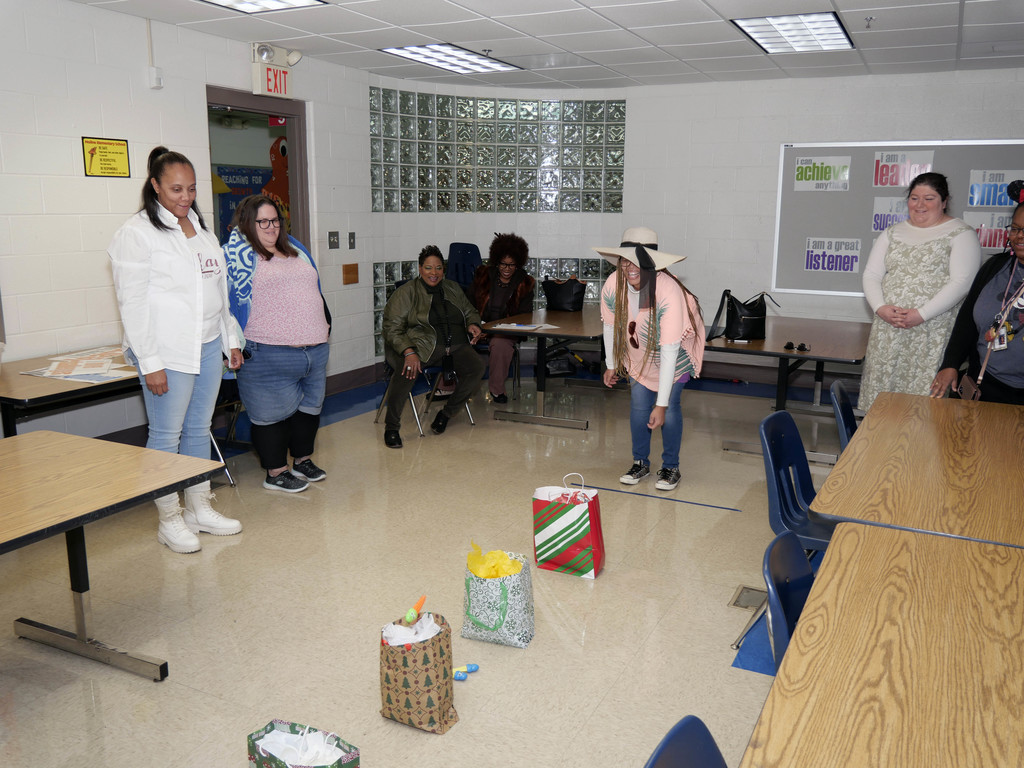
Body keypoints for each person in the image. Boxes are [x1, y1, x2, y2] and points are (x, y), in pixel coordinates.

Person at [109, 146, 243, 554]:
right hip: (166, 351)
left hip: (207, 345)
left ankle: (198, 507)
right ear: (155, 186)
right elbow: (132, 305)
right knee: (166, 435)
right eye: (176, 189)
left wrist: (230, 339)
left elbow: (218, 292)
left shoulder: (202, 231)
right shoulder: (137, 233)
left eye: (191, 189)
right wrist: (150, 363)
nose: (185, 197)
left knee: (200, 429)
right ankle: (169, 518)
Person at [223, 195, 331, 493]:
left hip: (314, 350)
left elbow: (314, 289)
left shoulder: (295, 249)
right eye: (263, 222)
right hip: (267, 351)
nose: (271, 227)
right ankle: (276, 472)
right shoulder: (236, 256)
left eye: (275, 220)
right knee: (270, 415)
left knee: (310, 409)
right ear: (247, 223)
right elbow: (224, 304)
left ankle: (302, 461)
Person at [858, 172, 981, 410]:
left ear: (944, 201)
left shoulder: (961, 233)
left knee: (923, 406)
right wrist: (881, 308)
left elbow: (962, 282)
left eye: (929, 198)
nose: (920, 205)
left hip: (932, 331)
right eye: (914, 198)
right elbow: (871, 275)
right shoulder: (892, 233)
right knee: (881, 403)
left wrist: (921, 314)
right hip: (889, 330)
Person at [596, 226, 705, 492]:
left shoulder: (667, 291)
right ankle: (640, 462)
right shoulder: (614, 283)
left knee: (670, 409)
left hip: (673, 357)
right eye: (625, 260)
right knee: (639, 407)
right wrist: (611, 364)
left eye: (638, 261)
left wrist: (662, 404)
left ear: (652, 263)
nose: (630, 267)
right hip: (639, 355)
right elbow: (609, 324)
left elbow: (669, 350)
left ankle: (671, 467)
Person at [381, 245, 485, 448]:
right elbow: (391, 328)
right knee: (407, 369)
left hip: (454, 346)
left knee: (477, 367)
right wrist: (409, 352)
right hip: (420, 346)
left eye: (438, 268)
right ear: (420, 268)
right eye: (428, 268)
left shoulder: (453, 288)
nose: (434, 273)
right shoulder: (406, 293)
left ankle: (446, 414)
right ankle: (391, 427)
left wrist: (473, 324)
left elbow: (469, 311)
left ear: (443, 270)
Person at [930, 196, 1024, 405]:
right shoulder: (994, 268)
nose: (1019, 236)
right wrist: (951, 363)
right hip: (984, 384)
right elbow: (967, 320)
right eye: (1015, 229)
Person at [471, 232, 536, 403]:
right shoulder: (483, 275)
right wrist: (476, 326)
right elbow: (468, 304)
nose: (507, 269)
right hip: (477, 325)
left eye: (512, 265)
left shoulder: (525, 283)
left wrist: (490, 330)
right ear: (496, 261)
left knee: (499, 343)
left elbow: (524, 317)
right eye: (503, 264)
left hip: (507, 331)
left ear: (518, 264)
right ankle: (447, 387)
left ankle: (497, 390)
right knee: (454, 338)